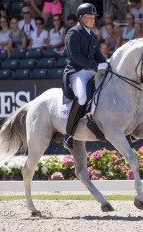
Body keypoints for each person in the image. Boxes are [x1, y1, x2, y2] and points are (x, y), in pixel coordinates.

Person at [62, 3, 108, 149]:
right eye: (89, 17)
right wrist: (96, 66)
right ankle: (68, 133)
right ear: (81, 18)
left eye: (94, 17)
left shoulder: (93, 36)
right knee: (82, 98)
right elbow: (75, 56)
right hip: (77, 72)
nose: (93, 20)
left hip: (92, 72)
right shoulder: (73, 33)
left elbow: (99, 56)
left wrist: (108, 65)